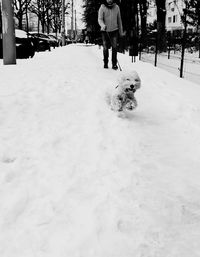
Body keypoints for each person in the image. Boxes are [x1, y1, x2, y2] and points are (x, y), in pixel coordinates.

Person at [98, 0, 123, 70]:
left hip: (114, 30)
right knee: (105, 47)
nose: (109, 0)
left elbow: (119, 20)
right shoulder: (102, 7)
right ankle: (105, 62)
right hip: (105, 30)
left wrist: (121, 32)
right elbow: (100, 19)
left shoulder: (116, 7)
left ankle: (114, 64)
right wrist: (103, 25)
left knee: (114, 47)